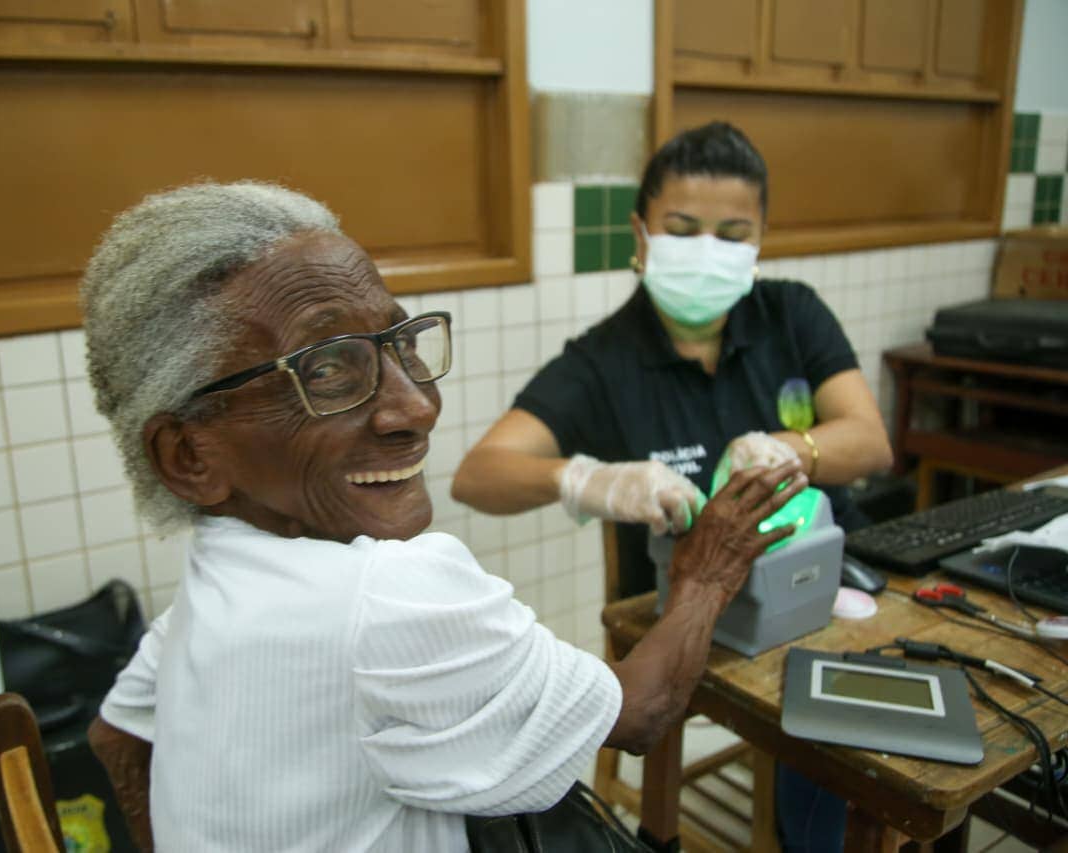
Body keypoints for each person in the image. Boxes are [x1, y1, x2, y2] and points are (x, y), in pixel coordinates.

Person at [80, 180, 807, 852]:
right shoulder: (391, 592)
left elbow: (114, 734)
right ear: (188, 457)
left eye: (401, 343)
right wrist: (707, 571)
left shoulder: (211, 590)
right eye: (328, 367)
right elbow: (642, 712)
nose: (416, 407)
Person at [450, 121, 894, 852]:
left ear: (760, 237)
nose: (707, 252)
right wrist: (589, 479)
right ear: (642, 231)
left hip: (816, 587)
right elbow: (479, 475)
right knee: (824, 735)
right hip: (692, 615)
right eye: (683, 230)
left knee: (857, 735)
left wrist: (794, 448)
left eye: (732, 233)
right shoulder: (603, 361)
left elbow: (870, 439)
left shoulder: (791, 313)